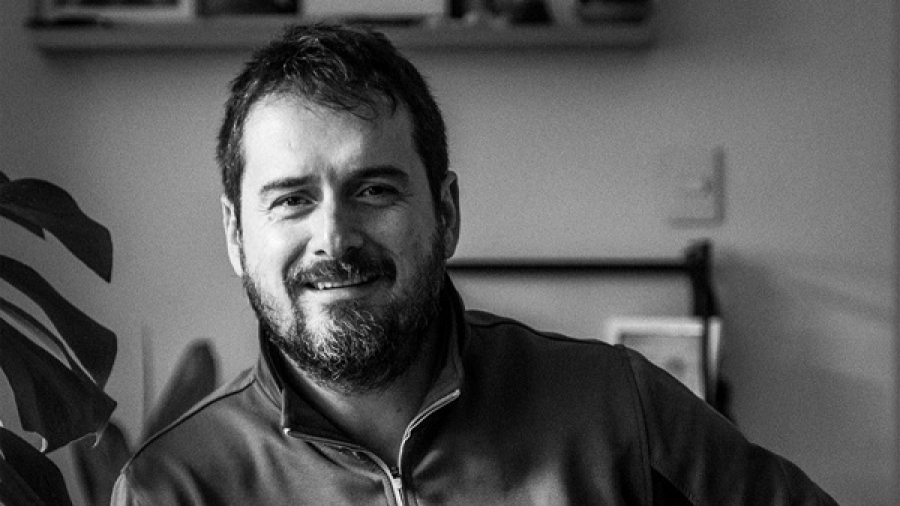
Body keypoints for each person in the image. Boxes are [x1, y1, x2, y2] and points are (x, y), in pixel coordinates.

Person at [111, 24, 839, 505]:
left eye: (375, 189)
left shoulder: (619, 410)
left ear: (447, 212)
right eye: (293, 200)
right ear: (236, 236)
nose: (334, 237)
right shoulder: (170, 487)